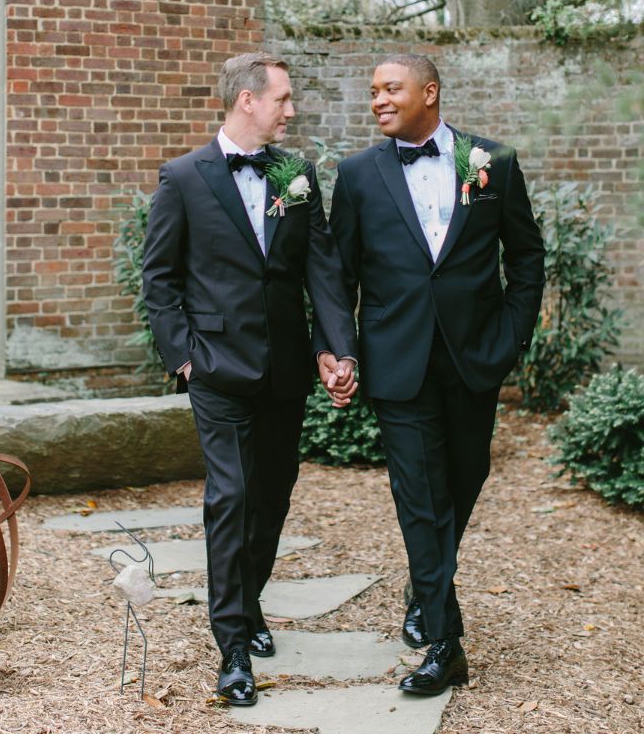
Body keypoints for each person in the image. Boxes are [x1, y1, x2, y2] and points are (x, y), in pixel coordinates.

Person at [322, 54, 545, 696]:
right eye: (373, 92)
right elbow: (338, 274)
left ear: (430, 92)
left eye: (390, 89)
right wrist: (341, 351)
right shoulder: (357, 175)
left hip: (475, 358)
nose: (378, 101)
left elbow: (526, 255)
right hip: (397, 360)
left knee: (463, 481)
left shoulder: (492, 162)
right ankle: (445, 644)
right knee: (419, 496)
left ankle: (425, 591)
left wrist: (511, 339)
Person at [142, 52, 357, 706]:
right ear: (247, 100)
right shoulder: (184, 177)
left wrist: (335, 349)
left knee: (272, 495)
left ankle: (249, 599)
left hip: (285, 369)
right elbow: (160, 278)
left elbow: (321, 267)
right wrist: (184, 358)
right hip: (216, 368)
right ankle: (233, 647)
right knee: (231, 497)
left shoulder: (295, 174)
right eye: (283, 99)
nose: (291, 110)